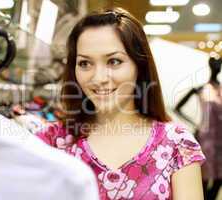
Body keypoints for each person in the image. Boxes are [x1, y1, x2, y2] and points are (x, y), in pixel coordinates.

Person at [37, 7, 205, 200]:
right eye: (85, 63)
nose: (98, 78)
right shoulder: (49, 142)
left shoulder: (177, 144)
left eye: (114, 61)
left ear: (139, 65)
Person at [175, 57, 222, 200]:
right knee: (204, 177)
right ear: (211, 66)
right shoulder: (201, 89)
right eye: (215, 65)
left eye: (219, 65)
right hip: (205, 138)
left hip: (221, 140)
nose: (218, 67)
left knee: (219, 177)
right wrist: (195, 124)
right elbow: (178, 107)